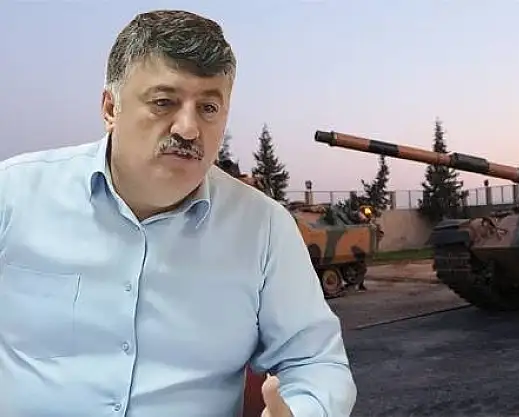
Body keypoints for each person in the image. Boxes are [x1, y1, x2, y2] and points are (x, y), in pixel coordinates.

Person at [0, 9, 356, 417]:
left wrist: (303, 409)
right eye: (163, 102)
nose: (188, 128)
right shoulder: (13, 195)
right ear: (111, 108)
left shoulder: (264, 228)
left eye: (208, 108)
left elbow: (315, 361)